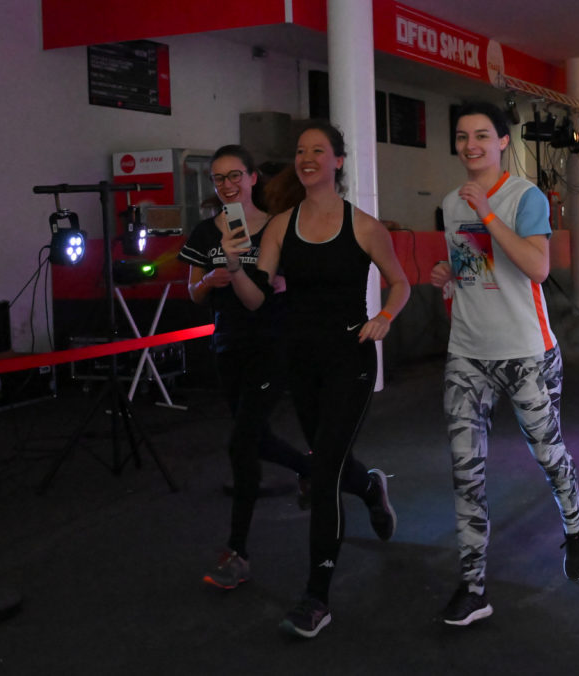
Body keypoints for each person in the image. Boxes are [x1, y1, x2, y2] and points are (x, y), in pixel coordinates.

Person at [222, 120, 410, 639]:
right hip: (300, 362)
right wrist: (235, 268)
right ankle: (370, 487)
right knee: (332, 462)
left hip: (350, 361)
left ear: (338, 161)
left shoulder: (364, 226)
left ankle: (316, 598)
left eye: (318, 150)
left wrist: (385, 317)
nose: (307, 158)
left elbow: (399, 282)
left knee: (323, 473)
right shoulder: (281, 226)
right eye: (301, 151)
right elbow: (256, 298)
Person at [429, 101, 579, 627]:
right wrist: (450, 274)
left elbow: (537, 268)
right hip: (467, 352)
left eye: (482, 135)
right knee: (466, 471)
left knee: (547, 453)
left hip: (526, 352)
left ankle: (575, 522)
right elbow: (478, 269)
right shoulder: (451, 202)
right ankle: (473, 586)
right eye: (462, 136)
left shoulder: (525, 197)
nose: (470, 145)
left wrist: (487, 214)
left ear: (503, 141)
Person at [178, 145, 313, 590]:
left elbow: (302, 282)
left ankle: (237, 551)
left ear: (253, 177)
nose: (227, 185)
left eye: (235, 175)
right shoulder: (205, 232)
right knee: (255, 438)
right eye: (219, 179)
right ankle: (337, 477)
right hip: (229, 346)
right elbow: (193, 293)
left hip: (273, 345)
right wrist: (210, 279)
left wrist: (282, 281)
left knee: (241, 443)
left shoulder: (278, 227)